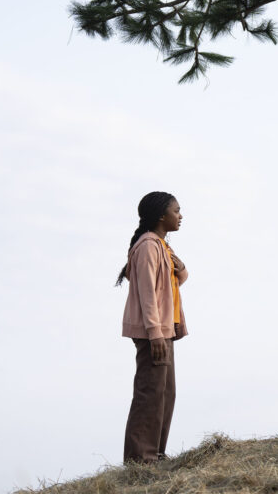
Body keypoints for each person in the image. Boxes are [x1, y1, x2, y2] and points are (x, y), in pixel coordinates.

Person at [116, 191, 188, 464]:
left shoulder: (161, 246)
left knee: (165, 392)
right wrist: (155, 332)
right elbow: (148, 293)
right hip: (153, 332)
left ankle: (155, 453)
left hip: (163, 330)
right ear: (161, 215)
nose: (181, 216)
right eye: (176, 211)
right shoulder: (148, 245)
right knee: (150, 392)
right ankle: (140, 460)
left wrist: (180, 267)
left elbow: (170, 284)